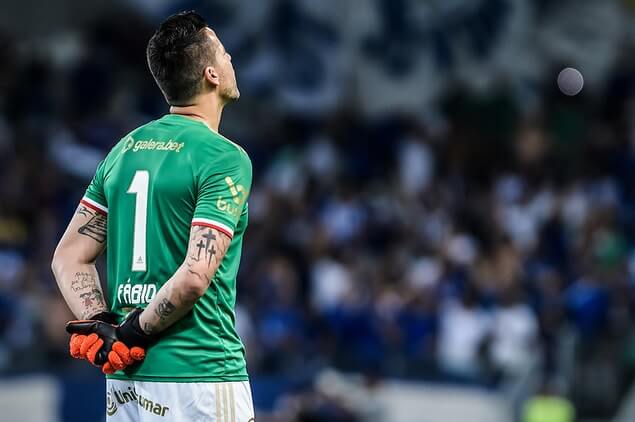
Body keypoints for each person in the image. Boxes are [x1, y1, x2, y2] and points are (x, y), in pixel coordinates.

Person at [51, 11, 255, 421]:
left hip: (127, 384)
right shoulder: (224, 157)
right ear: (212, 75)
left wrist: (101, 326)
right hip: (201, 376)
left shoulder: (124, 150)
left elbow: (68, 256)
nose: (232, 57)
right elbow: (195, 276)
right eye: (224, 52)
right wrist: (134, 330)